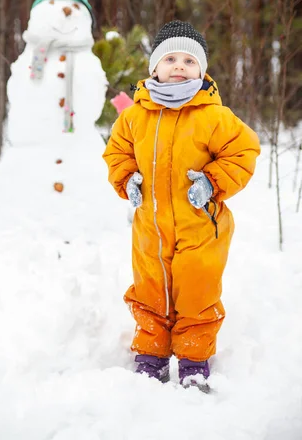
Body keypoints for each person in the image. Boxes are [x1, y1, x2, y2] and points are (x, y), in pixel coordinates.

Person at [102, 20, 260, 392]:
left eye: (189, 61)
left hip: (200, 226)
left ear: (201, 71)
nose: (179, 66)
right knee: (150, 289)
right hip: (150, 227)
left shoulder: (214, 115)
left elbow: (243, 151)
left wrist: (212, 181)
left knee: (197, 289)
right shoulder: (134, 116)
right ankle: (151, 353)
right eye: (170, 58)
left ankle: (193, 357)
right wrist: (128, 180)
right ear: (153, 67)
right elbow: (117, 153)